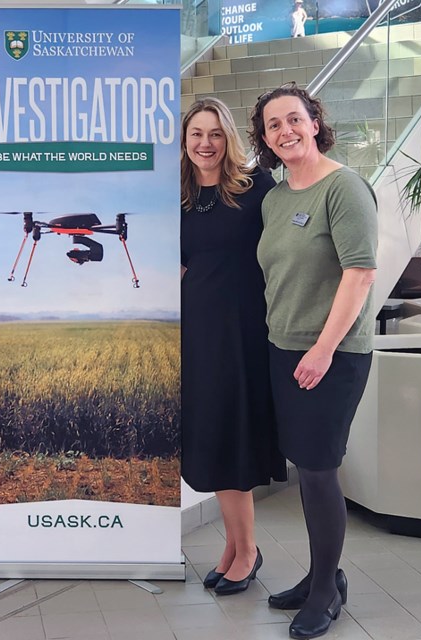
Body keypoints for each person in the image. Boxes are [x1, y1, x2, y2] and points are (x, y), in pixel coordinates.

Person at [248, 82, 377, 639]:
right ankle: (322, 573)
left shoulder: (343, 187)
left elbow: (361, 272)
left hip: (332, 354)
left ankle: (326, 590)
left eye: (294, 119)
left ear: (314, 122)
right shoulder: (275, 198)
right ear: (265, 138)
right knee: (306, 466)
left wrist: (323, 349)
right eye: (274, 125)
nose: (286, 131)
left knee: (321, 471)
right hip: (284, 348)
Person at [179, 97, 287, 597]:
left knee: (233, 437)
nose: (205, 143)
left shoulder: (256, 189)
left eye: (215, 133)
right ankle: (235, 546)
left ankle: (246, 551)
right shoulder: (177, 196)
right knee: (216, 436)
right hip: (197, 333)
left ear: (229, 139)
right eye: (197, 133)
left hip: (242, 331)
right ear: (185, 140)